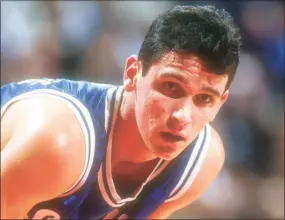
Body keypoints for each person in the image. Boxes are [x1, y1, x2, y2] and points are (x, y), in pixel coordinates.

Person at [1, 5, 241, 219]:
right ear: (131, 74)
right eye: (170, 86)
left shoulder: (199, 163)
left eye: (204, 99)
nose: (182, 116)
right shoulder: (59, 141)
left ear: (221, 102)